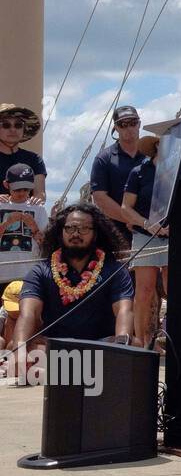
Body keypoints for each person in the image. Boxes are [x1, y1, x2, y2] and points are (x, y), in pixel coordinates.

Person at [1, 204, 134, 380]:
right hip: (54, 347)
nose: (76, 234)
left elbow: (124, 311)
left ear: (96, 233)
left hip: (100, 346)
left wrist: (121, 347)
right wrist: (20, 350)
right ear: (60, 231)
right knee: (18, 346)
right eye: (70, 228)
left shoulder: (115, 270)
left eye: (84, 228)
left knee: (134, 345)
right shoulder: (40, 271)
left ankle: (62, 374)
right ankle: (77, 373)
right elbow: (28, 314)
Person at [121, 136, 168, 344]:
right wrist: (147, 224)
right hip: (144, 234)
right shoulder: (139, 172)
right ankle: (142, 341)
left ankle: (172, 338)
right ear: (157, 145)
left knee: (172, 289)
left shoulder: (179, 171)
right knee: (144, 291)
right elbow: (126, 207)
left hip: (172, 235)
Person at [90, 105, 146, 244]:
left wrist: (145, 223)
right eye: (123, 124)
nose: (129, 128)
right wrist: (133, 220)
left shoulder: (153, 155)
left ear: (139, 124)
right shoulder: (104, 158)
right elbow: (100, 198)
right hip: (116, 233)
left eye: (133, 123)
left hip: (152, 231)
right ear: (116, 127)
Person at [1, 164, 48, 271]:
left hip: (29, 272)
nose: (22, 192)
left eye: (26, 189)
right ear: (6, 185)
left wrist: (34, 227)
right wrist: (6, 223)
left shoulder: (39, 208)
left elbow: (45, 245)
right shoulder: (1, 205)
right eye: (17, 189)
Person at [0, 103, 47, 205]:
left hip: (25, 216)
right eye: (6, 125)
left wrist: (36, 201)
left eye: (18, 125)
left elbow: (40, 193)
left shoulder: (34, 159)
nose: (13, 129)